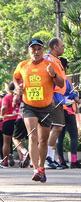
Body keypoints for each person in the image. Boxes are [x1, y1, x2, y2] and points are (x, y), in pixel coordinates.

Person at [13, 38, 65, 183]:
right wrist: (18, 87)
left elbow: (61, 83)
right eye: (33, 49)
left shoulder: (50, 64)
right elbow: (16, 77)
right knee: (32, 135)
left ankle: (41, 168)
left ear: (43, 50)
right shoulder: (23, 65)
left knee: (43, 140)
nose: (36, 52)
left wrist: (53, 74)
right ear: (29, 50)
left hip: (46, 107)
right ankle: (35, 169)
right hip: (28, 105)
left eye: (39, 49)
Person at [54, 58, 81, 169]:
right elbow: (71, 94)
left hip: (58, 111)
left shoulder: (54, 79)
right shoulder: (63, 80)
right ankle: (73, 161)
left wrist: (75, 97)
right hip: (67, 110)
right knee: (73, 136)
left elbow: (71, 93)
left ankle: (61, 161)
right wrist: (75, 98)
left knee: (60, 137)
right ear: (63, 67)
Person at [45, 38, 67, 169]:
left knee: (56, 128)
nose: (63, 48)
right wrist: (51, 95)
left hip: (59, 97)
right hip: (53, 96)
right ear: (54, 46)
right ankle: (47, 157)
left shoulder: (57, 60)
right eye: (62, 46)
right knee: (57, 127)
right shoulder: (49, 59)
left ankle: (50, 157)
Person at [1, 82, 20, 166]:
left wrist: (2, 115)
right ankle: (22, 160)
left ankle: (5, 161)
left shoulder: (7, 97)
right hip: (19, 120)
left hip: (8, 120)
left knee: (6, 142)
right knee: (18, 140)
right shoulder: (20, 97)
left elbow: (4, 107)